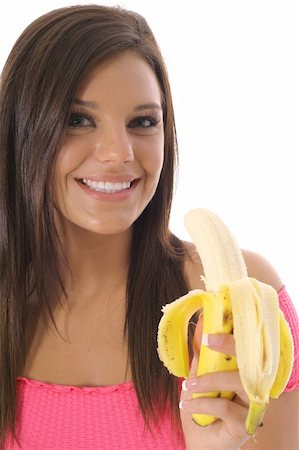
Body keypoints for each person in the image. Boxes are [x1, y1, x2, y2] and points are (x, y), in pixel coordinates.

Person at [0, 4, 298, 449]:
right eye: (77, 120)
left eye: (142, 122)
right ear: (20, 130)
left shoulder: (241, 306)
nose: (118, 153)